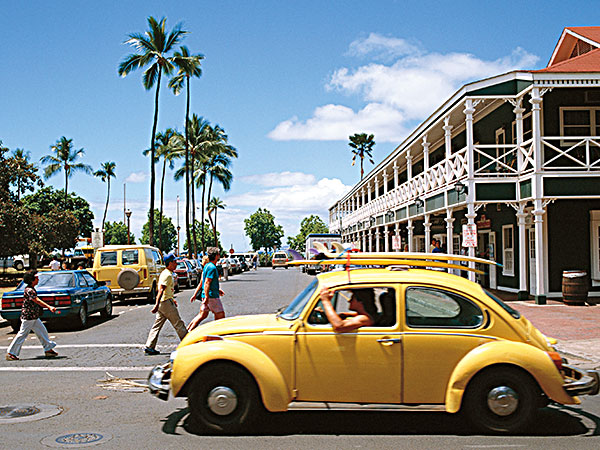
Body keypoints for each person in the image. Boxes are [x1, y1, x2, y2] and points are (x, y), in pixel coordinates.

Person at [6, 271, 58, 361]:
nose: (38, 279)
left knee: (42, 331)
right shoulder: (29, 290)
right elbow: (37, 300)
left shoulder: (31, 289)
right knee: (22, 334)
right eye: (36, 278)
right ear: (32, 280)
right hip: (28, 317)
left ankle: (48, 349)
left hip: (33, 316)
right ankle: (11, 353)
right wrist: (49, 307)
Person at [144, 253, 187, 355]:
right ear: (170, 263)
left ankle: (149, 346)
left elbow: (166, 290)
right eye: (175, 262)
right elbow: (161, 290)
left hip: (164, 301)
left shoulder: (166, 273)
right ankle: (187, 343)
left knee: (157, 325)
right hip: (166, 302)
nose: (176, 264)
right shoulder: (167, 275)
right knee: (178, 323)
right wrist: (156, 304)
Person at [186, 247, 225, 332]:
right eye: (219, 255)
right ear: (216, 256)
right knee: (220, 316)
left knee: (202, 315)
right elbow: (207, 282)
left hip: (207, 295)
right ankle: (217, 335)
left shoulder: (207, 266)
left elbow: (204, 283)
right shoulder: (212, 267)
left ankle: (188, 331)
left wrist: (216, 290)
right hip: (211, 297)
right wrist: (207, 297)